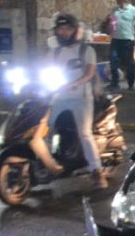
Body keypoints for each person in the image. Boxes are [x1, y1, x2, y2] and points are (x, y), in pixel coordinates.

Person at [45, 14, 106, 189]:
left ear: (75, 31)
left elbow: (89, 73)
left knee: (84, 133)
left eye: (67, 29)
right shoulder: (55, 52)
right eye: (60, 29)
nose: (63, 32)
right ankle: (48, 165)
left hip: (80, 97)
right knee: (44, 129)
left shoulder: (86, 51)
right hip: (58, 97)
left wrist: (74, 84)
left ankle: (97, 171)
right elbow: (43, 68)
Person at [108, 0, 135, 90]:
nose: (117, 0)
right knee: (113, 60)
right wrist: (110, 30)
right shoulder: (115, 10)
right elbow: (112, 22)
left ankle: (131, 83)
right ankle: (115, 83)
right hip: (115, 39)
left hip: (127, 40)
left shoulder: (133, 10)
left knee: (129, 62)